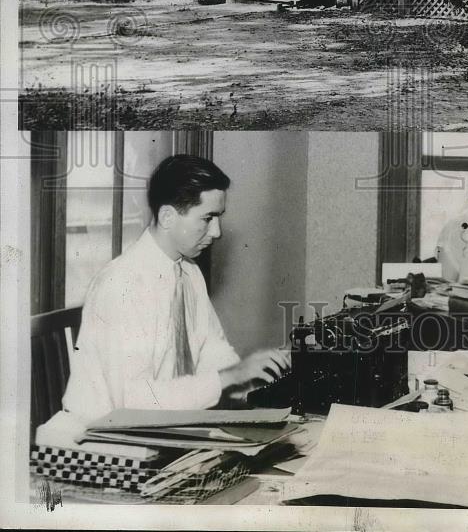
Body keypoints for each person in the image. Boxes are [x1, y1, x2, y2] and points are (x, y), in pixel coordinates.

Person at [42, 154, 290, 435]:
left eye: (218, 218)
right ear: (167, 216)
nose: (217, 232)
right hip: (102, 440)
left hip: (165, 430)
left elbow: (213, 352)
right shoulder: (121, 284)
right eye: (207, 218)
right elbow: (133, 404)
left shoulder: (189, 272)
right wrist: (231, 377)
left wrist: (257, 378)